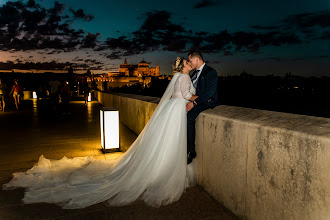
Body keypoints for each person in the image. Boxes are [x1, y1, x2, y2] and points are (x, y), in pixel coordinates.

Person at [2, 57, 198, 209]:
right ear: (183, 67)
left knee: (166, 141)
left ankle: (160, 167)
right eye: (187, 62)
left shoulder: (179, 76)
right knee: (172, 141)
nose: (190, 63)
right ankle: (165, 170)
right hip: (177, 109)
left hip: (172, 108)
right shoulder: (185, 76)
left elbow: (175, 94)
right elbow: (184, 95)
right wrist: (197, 99)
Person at [186, 51, 219, 164]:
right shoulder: (194, 73)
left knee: (189, 116)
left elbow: (209, 93)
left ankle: (191, 151)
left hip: (207, 101)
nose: (190, 63)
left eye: (190, 61)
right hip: (197, 99)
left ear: (197, 60)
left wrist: (194, 103)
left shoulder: (211, 72)